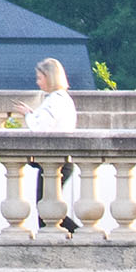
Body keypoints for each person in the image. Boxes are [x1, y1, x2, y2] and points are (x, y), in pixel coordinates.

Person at [22, 58, 79, 232]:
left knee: (47, 209)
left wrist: (28, 116)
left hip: (55, 162)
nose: (38, 82)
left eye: (40, 77)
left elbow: (41, 129)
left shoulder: (56, 100)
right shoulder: (61, 98)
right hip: (58, 161)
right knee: (47, 208)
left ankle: (81, 235)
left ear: (50, 77)